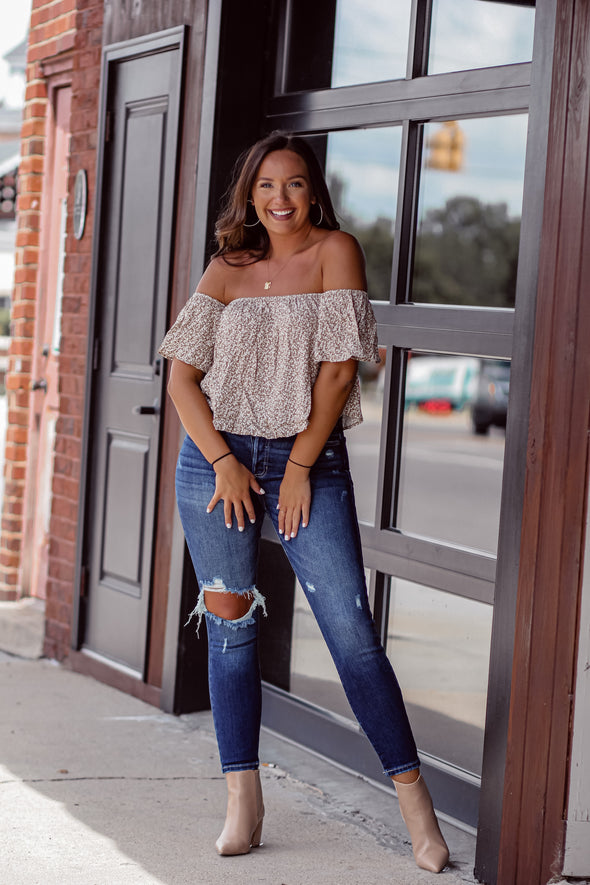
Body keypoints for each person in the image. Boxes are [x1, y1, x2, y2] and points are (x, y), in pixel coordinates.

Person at [159, 132, 449, 873]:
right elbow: (183, 380)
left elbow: (338, 370)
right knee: (229, 630)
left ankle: (418, 808)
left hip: (304, 460)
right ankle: (243, 803)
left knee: (351, 635)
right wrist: (222, 460)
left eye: (291, 185)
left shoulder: (335, 250)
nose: (278, 199)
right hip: (215, 463)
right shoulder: (227, 268)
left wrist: (300, 464)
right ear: (248, 196)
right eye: (264, 187)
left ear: (313, 191)